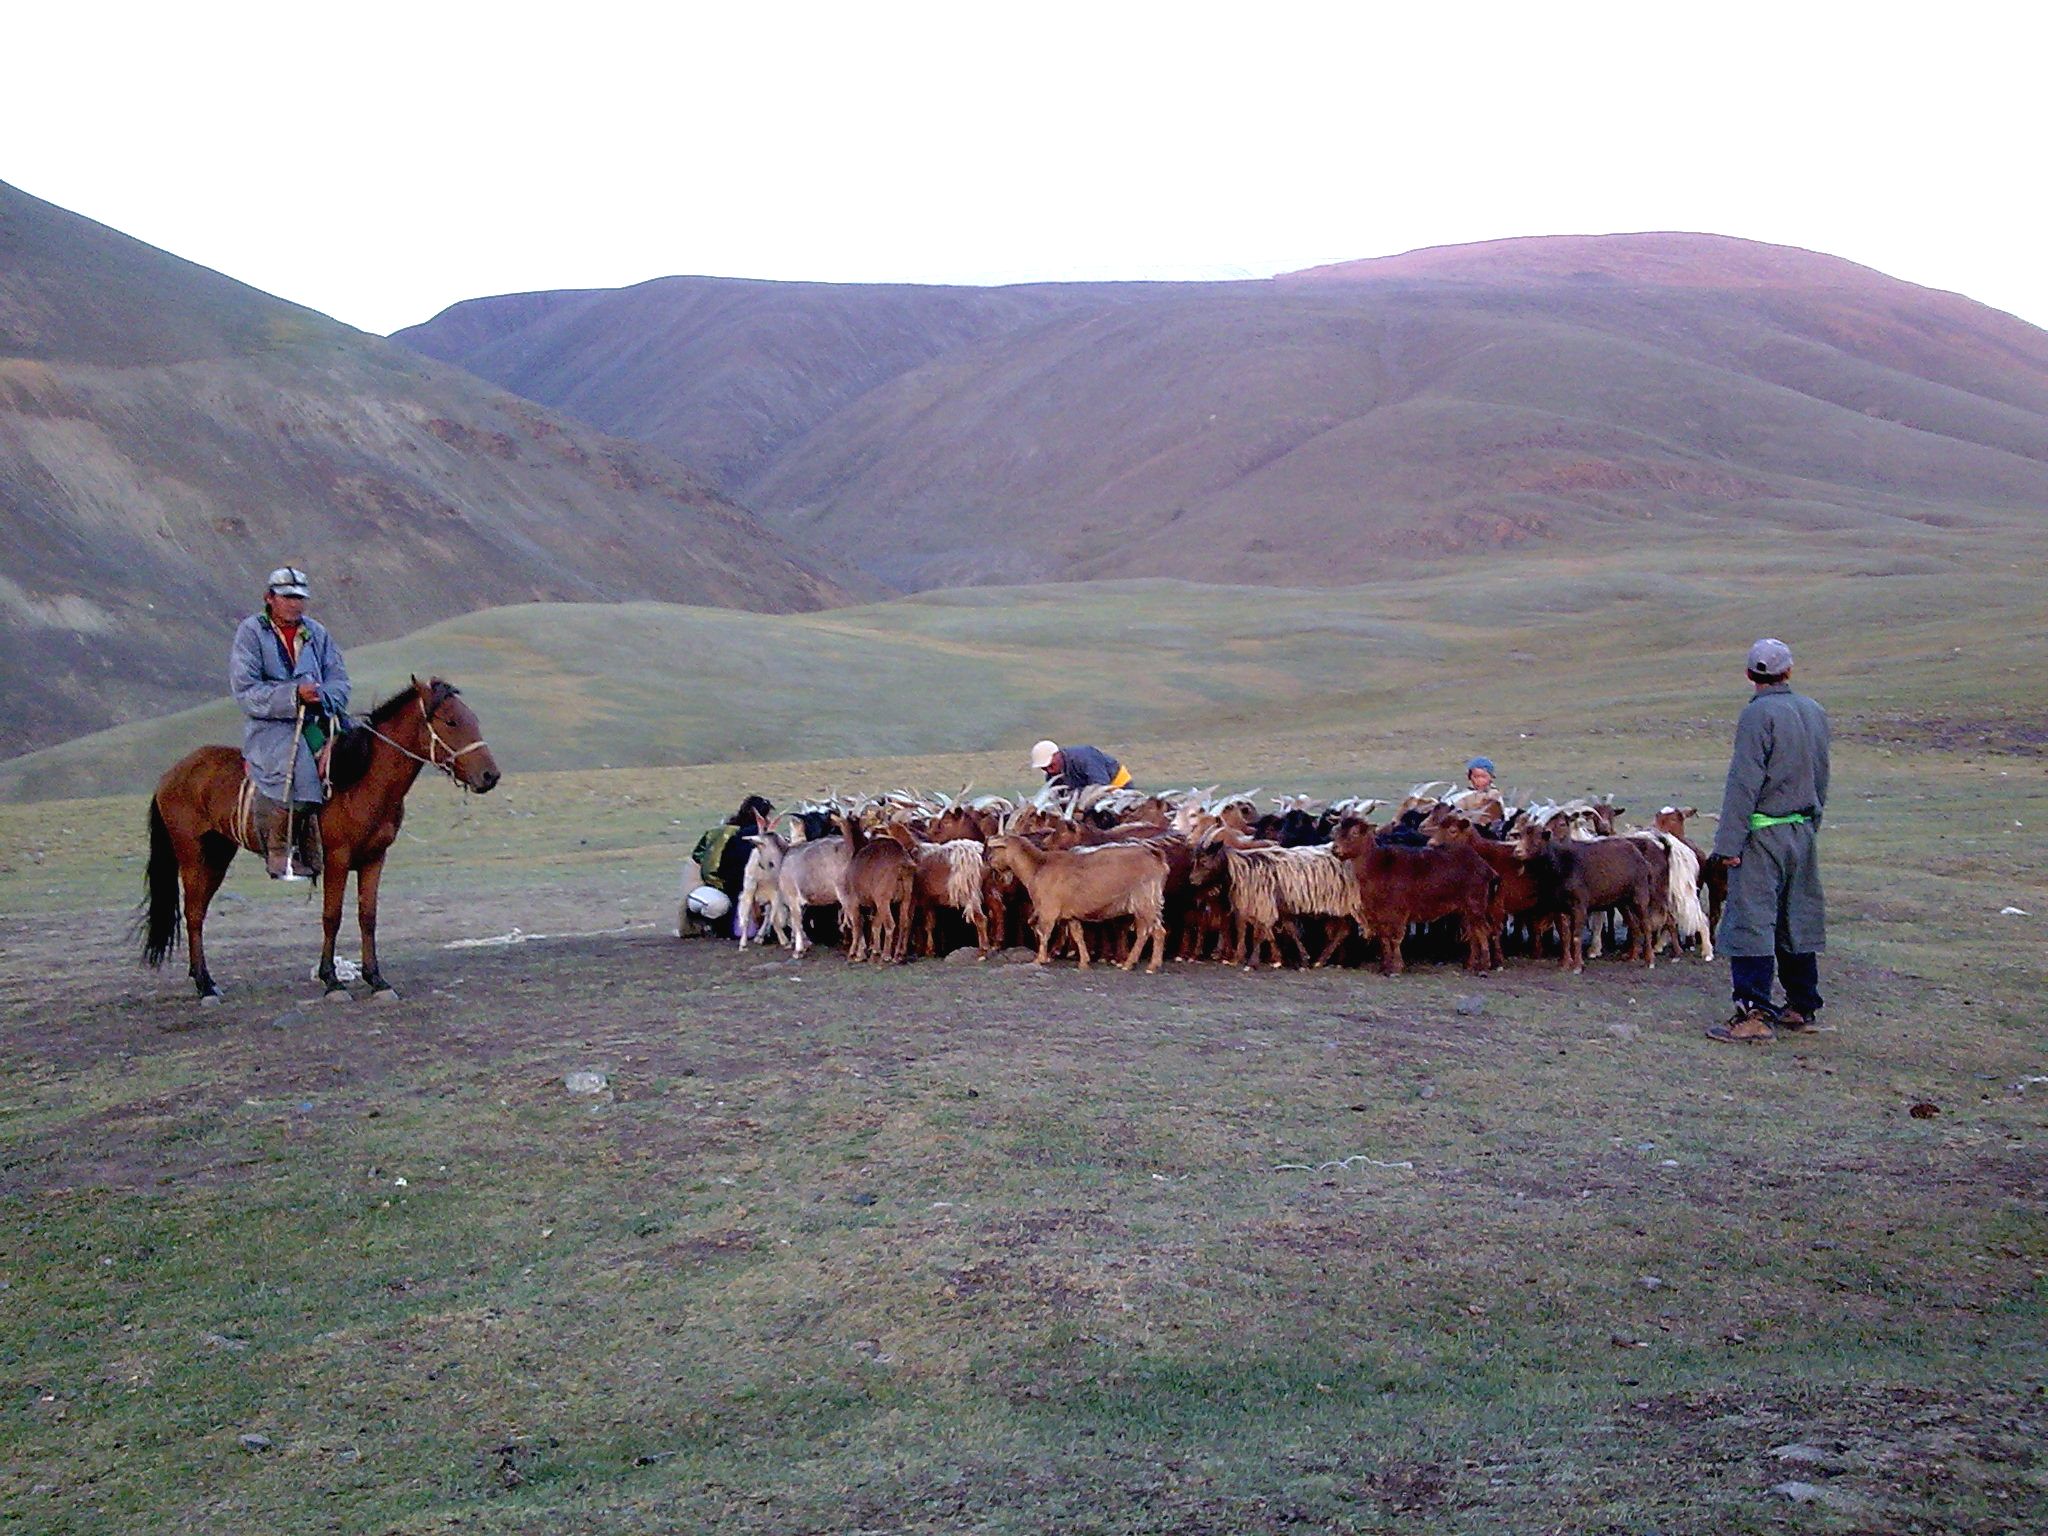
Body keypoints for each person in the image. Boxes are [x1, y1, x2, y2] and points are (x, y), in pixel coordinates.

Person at [1705, 638, 1830, 1043]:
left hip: (1762, 834)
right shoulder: (1814, 712)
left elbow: (1744, 782)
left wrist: (1728, 846)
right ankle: (1801, 1004)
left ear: (1750, 675)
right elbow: (1821, 775)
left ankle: (1753, 1013)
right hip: (1801, 830)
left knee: (1751, 920)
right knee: (1797, 915)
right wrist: (1811, 826)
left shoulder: (1757, 715)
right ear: (1788, 671)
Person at [229, 566, 350, 880]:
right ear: (270, 598)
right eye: (288, 597)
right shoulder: (251, 632)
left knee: (361, 752)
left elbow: (339, 678)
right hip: (272, 725)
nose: (296, 604)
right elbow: (246, 690)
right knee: (301, 771)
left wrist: (324, 697)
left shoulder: (317, 633)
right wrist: (293, 695)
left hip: (319, 718)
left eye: (300, 598)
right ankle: (280, 851)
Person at [682, 795, 775, 938]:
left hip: (727, 889)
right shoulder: (731, 836)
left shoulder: (732, 833)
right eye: (767, 817)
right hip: (712, 889)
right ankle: (706, 922)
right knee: (718, 905)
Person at [1029, 739, 1131, 792]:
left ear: (1057, 755)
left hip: (1117, 786)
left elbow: (1101, 785)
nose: (1049, 771)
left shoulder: (1084, 758)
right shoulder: (1052, 776)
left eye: (1050, 766)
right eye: (1044, 768)